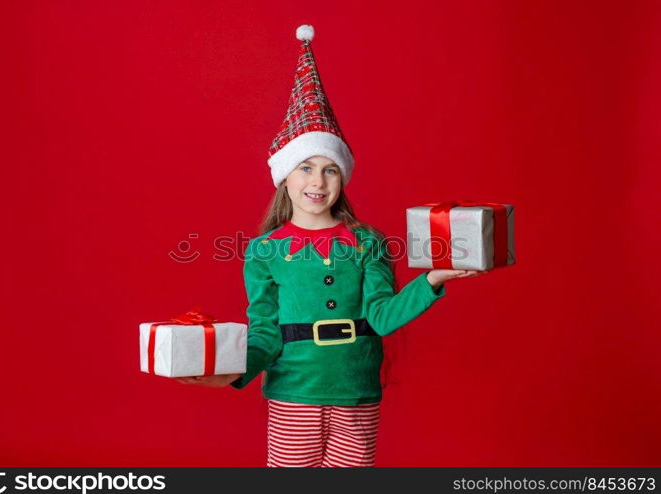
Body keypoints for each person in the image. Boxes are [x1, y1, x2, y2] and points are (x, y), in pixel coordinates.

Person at [177, 25, 485, 467]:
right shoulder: (264, 251)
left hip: (356, 391)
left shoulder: (368, 242)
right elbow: (264, 330)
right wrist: (229, 373)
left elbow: (381, 317)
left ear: (343, 178)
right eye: (305, 168)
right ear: (285, 176)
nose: (317, 182)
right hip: (293, 392)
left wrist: (432, 279)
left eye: (330, 170)